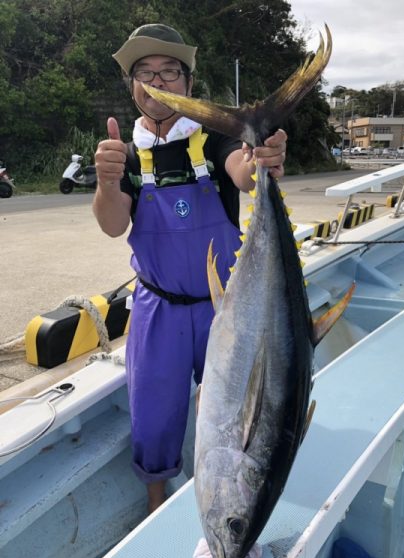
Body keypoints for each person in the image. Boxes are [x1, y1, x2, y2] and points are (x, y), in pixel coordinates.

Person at [93, 24, 288, 513]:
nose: (157, 82)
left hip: (228, 310)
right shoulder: (125, 153)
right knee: (155, 416)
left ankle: (235, 499)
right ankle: (157, 505)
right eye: (145, 73)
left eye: (169, 73)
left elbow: (241, 173)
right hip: (158, 310)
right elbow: (114, 225)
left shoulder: (215, 138)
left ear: (188, 84)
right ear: (132, 86)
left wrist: (260, 157)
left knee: (240, 414)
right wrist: (107, 183)